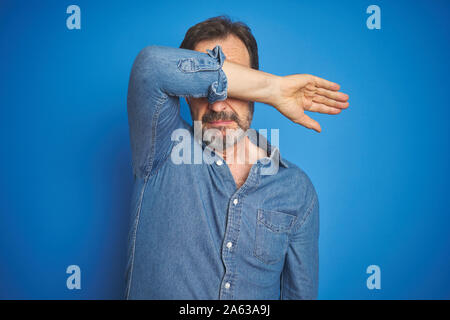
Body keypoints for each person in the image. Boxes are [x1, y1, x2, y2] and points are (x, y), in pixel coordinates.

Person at [125, 16, 349, 300]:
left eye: (234, 85)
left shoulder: (297, 190)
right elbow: (150, 67)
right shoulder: (161, 147)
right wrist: (273, 89)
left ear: (251, 90)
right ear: (185, 94)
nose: (218, 103)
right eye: (205, 86)